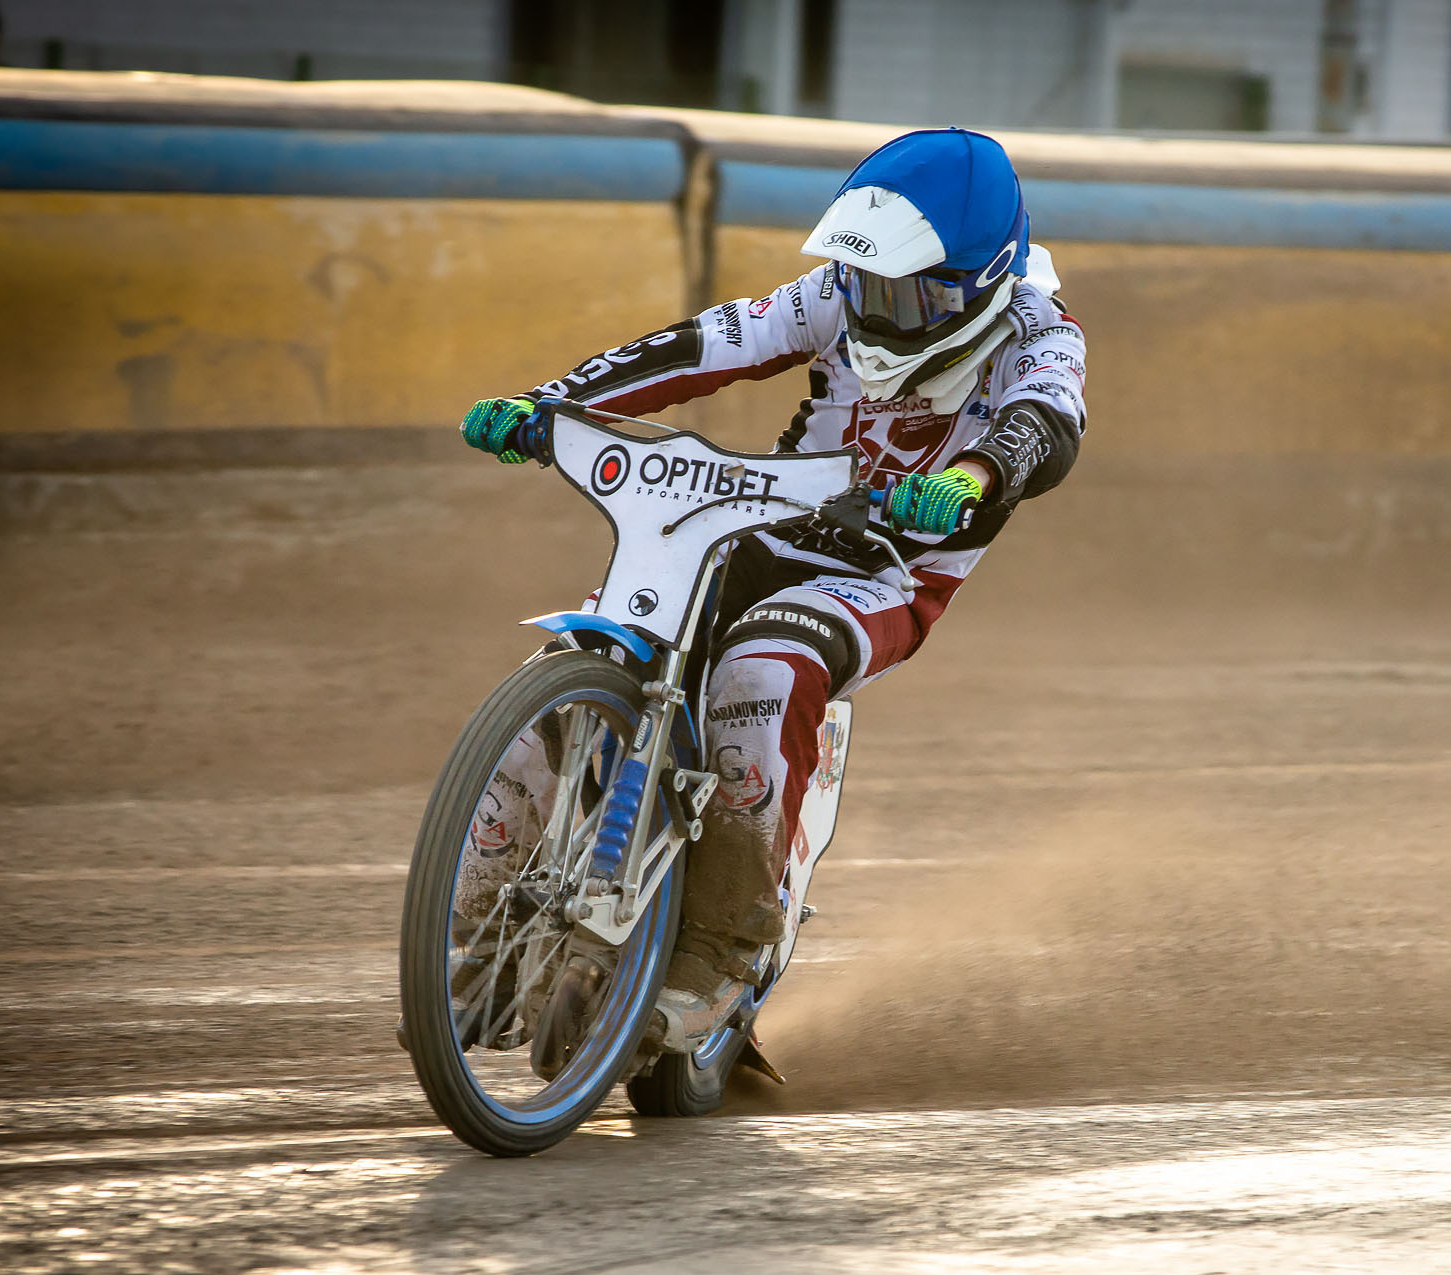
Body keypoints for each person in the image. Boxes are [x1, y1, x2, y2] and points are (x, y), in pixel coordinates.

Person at [457, 127, 1088, 1055]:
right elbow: (702, 347)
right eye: (868, 283)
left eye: (912, 293)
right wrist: (549, 405)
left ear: (980, 280)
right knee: (577, 658)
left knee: (760, 675)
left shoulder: (1041, 334)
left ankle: (717, 957)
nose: (878, 309)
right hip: (761, 526)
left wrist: (977, 478)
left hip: (888, 571)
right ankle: (477, 940)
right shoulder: (834, 294)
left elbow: (1045, 428)